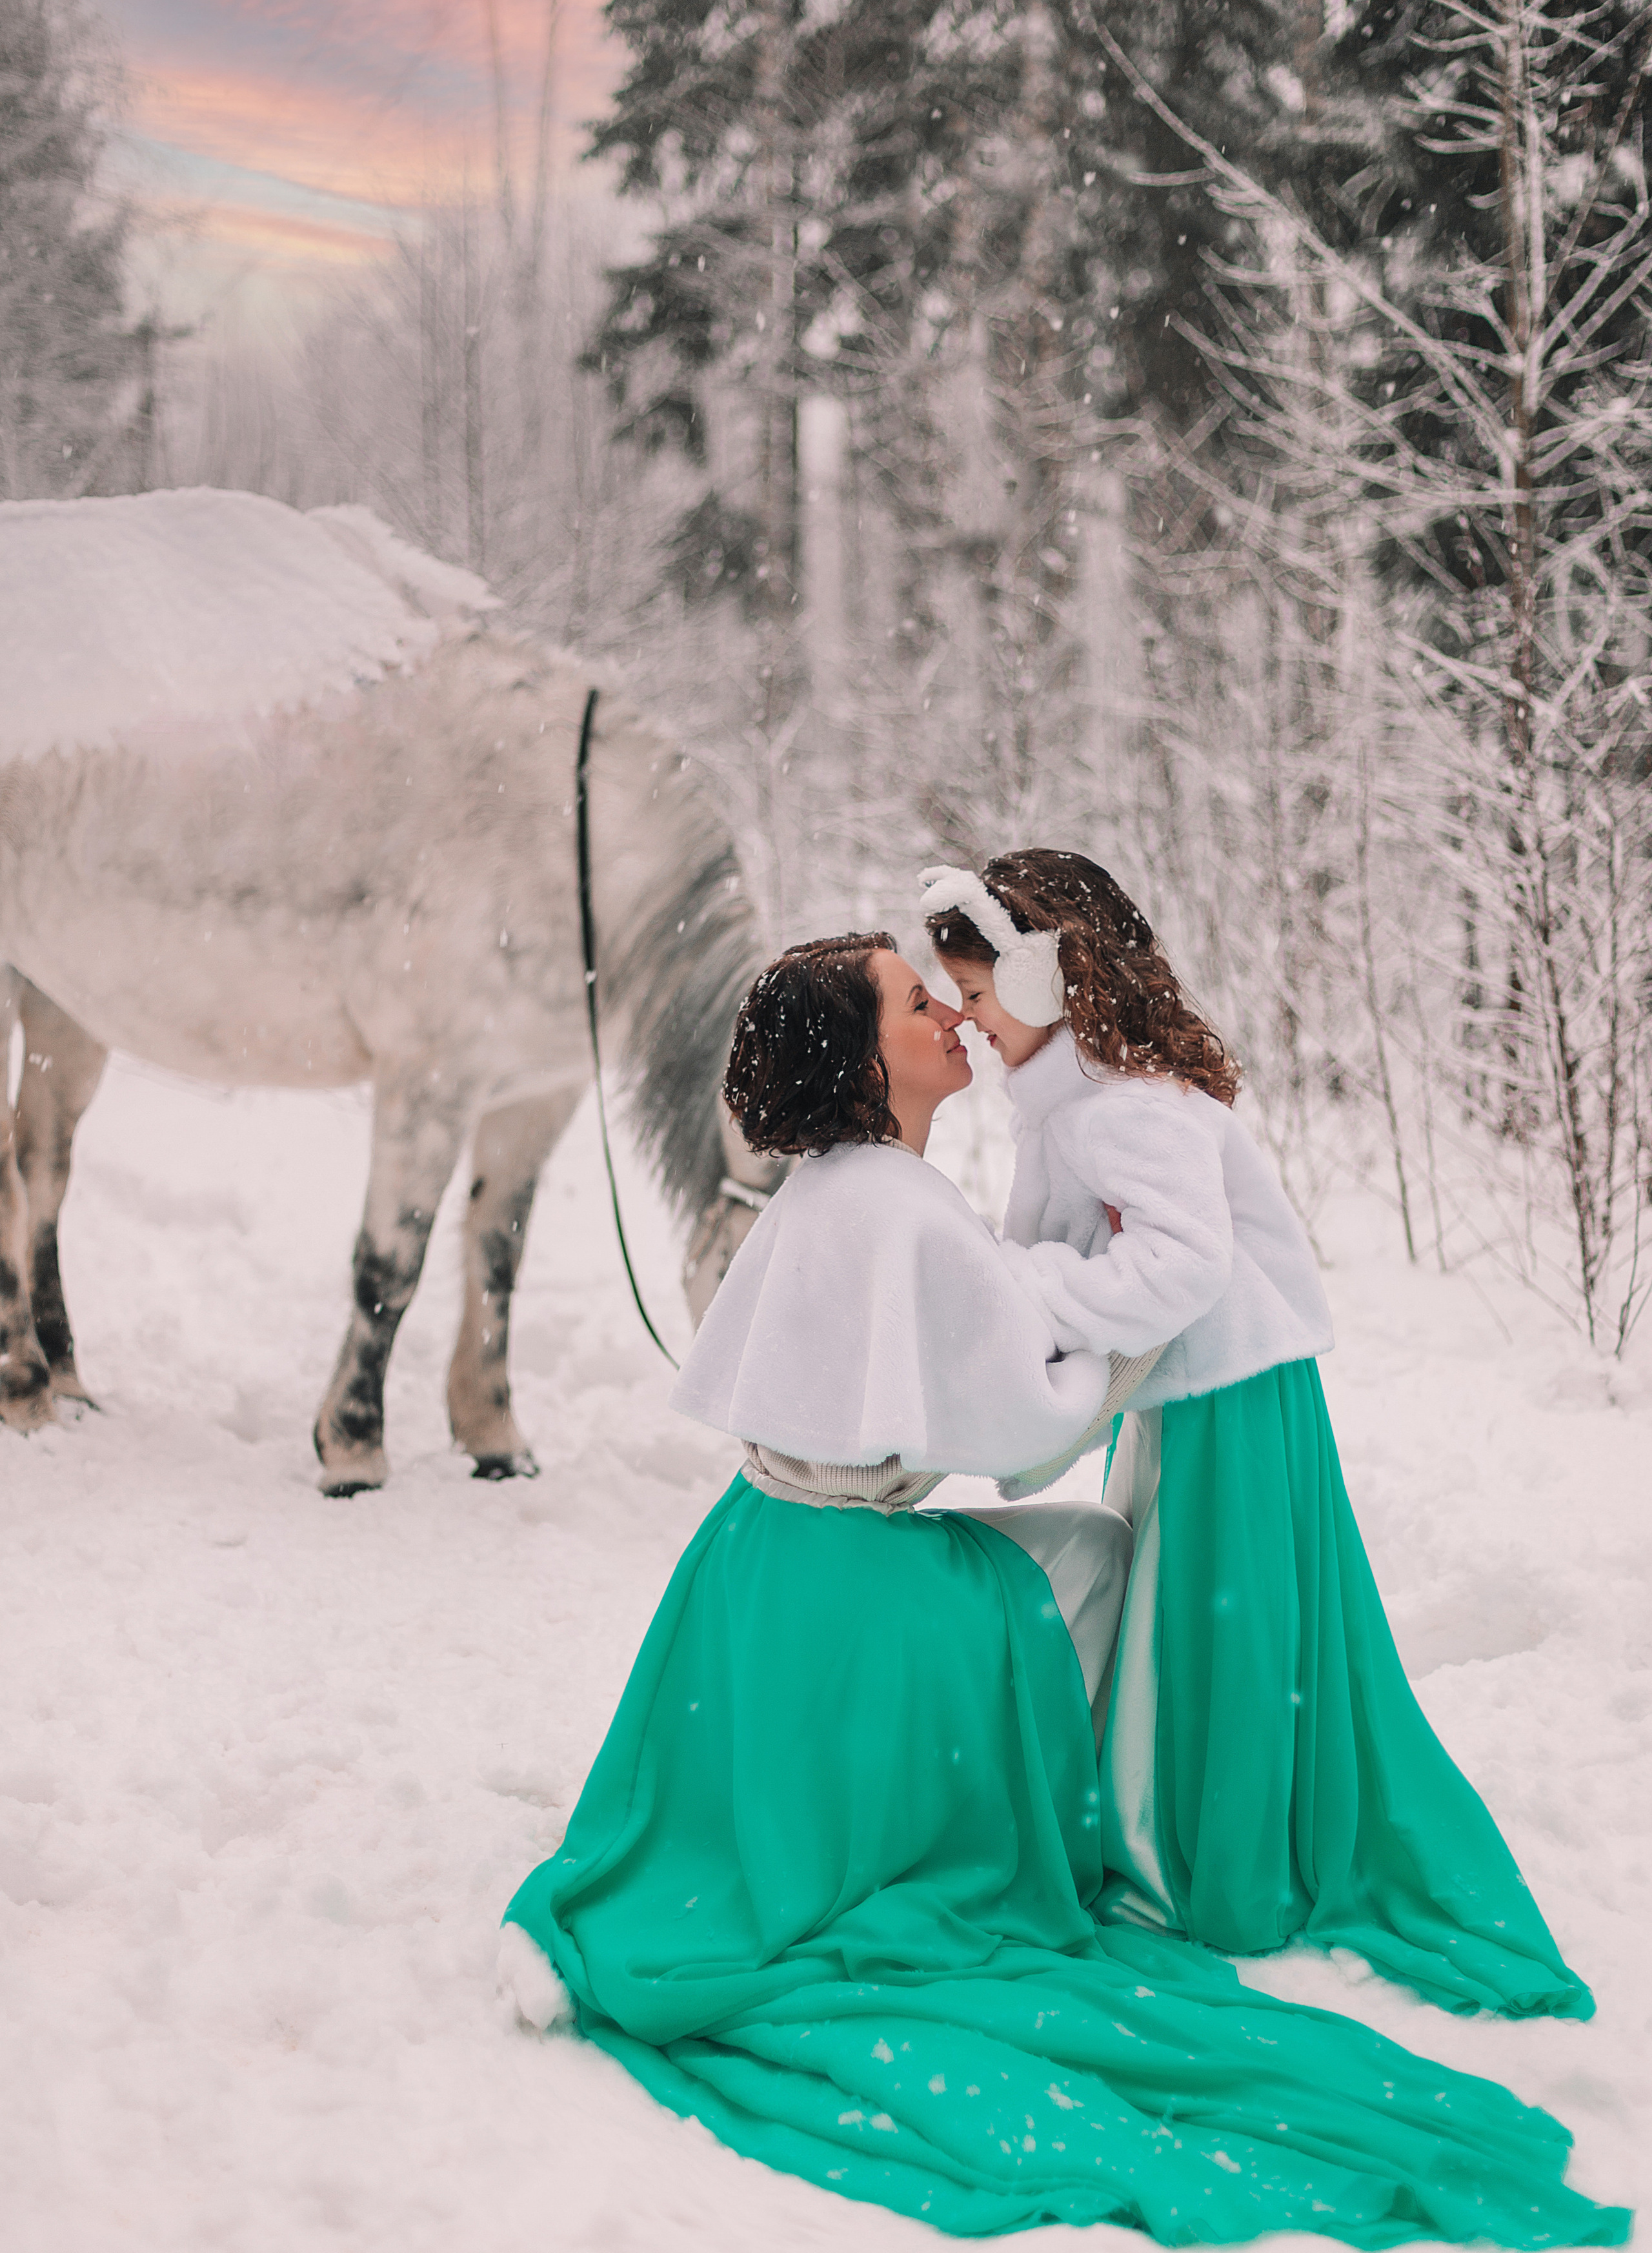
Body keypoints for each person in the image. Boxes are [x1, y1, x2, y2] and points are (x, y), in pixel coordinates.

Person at [501, 932, 1627, 2245]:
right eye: (914, 1002)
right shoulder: (901, 1205)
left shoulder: (830, 1189)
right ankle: (1040, 1829)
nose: (949, 1013)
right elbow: (1024, 1432)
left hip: (750, 1568)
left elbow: (935, 1366)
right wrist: (1153, 1323)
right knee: (1090, 1553)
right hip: (852, 1588)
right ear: (864, 1061)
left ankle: (982, 1802)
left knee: (1046, 1559)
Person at [922, 848, 1593, 2022]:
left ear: (1042, 980)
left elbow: (1184, 1263)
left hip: (1224, 1396)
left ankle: (1213, 1856)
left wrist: (1034, 1289)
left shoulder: (1120, 1108)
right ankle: (1195, 1821)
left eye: (978, 993)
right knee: (1193, 1609)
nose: (968, 1018)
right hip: (1203, 1391)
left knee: (1208, 1613)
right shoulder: (1085, 1098)